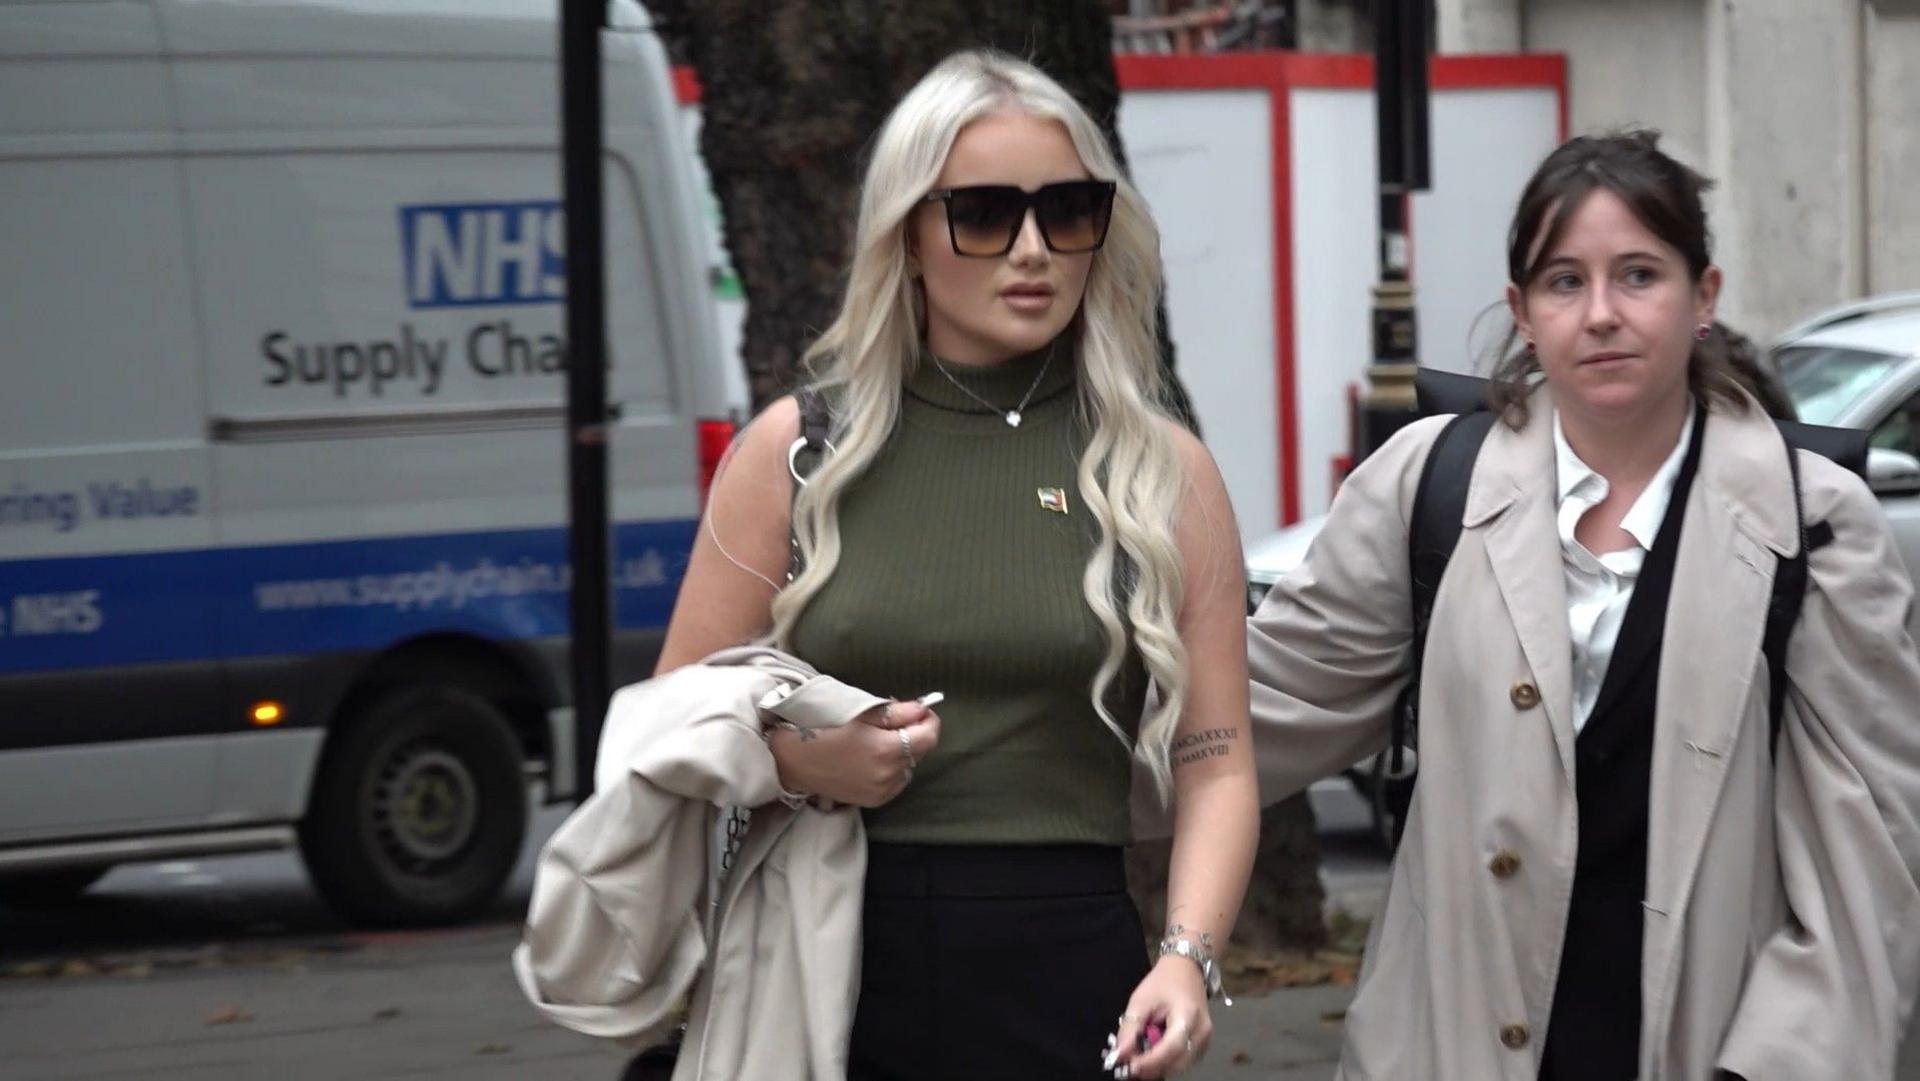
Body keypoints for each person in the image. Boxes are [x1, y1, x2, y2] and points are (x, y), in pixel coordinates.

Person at [1247, 130, 1920, 1079]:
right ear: (1522, 310)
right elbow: (1257, 710)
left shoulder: (1814, 523)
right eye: (1565, 282)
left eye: (1639, 274)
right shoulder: (1426, 486)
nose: (1601, 313)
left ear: (1705, 297)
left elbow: (1869, 869)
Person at [655, 49, 1258, 1081]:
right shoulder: (798, 453)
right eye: (984, 213)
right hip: (823, 952)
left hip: (1069, 961)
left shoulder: (1164, 470)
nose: (1033, 250)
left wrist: (1188, 960)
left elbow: (1218, 761)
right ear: (910, 236)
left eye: (1069, 210)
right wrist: (800, 763)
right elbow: (668, 725)